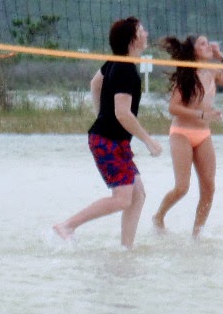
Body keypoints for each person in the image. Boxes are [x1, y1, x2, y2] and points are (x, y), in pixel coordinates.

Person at [53, 17, 162, 248]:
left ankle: (126, 249)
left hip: (113, 139)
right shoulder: (125, 70)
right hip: (107, 141)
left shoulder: (116, 62)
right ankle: (67, 226)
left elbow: (95, 83)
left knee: (138, 195)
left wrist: (101, 115)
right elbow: (123, 114)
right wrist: (148, 141)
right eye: (142, 30)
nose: (147, 33)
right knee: (123, 198)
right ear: (132, 38)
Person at [151, 34, 223, 237]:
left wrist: (222, 56)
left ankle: (197, 234)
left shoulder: (213, 71)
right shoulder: (187, 74)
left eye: (208, 43)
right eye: (203, 44)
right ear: (194, 50)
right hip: (181, 133)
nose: (208, 46)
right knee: (182, 187)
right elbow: (173, 108)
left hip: (203, 134)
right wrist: (202, 114)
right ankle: (159, 216)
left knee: (209, 188)